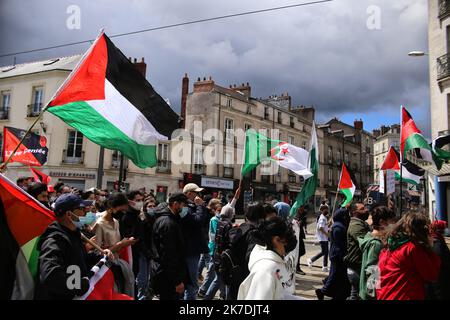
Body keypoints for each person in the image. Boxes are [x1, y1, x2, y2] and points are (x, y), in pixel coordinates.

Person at [35, 194, 115, 299]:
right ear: (69, 214)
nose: (87, 212)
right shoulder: (55, 240)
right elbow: (51, 275)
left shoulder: (73, 235)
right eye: (82, 209)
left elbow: (79, 258)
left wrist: (100, 256)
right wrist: (79, 285)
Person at [377, 212, 441, 300]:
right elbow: (431, 275)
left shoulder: (388, 246)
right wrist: (430, 249)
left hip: (385, 295)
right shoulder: (412, 248)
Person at [238, 217, 298, 300]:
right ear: (276, 240)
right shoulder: (266, 270)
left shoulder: (276, 260)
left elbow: (280, 295)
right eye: (287, 239)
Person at [150, 193, 189, 300]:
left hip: (166, 273)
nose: (184, 208)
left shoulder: (170, 219)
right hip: (168, 277)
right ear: (175, 204)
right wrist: (177, 281)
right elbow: (168, 254)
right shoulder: (168, 223)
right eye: (183, 205)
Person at [227, 202, 265, 300]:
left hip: (234, 274)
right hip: (248, 276)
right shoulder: (256, 233)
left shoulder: (238, 229)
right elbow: (252, 257)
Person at [358, 206, 396, 300]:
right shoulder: (376, 244)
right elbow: (372, 270)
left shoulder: (369, 237)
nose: (393, 224)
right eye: (391, 221)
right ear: (382, 222)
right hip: (372, 294)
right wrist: (375, 295)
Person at [316, 207, 351, 300]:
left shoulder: (338, 225)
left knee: (338, 274)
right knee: (334, 274)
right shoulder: (338, 227)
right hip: (337, 254)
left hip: (338, 253)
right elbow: (338, 241)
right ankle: (322, 291)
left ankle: (337, 293)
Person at [181, 183, 209, 300]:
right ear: (188, 194)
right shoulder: (184, 207)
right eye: (196, 193)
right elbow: (197, 221)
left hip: (193, 248)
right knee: (191, 282)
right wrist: (200, 206)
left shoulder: (194, 206)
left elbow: (205, 220)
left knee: (191, 281)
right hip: (189, 248)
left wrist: (202, 206)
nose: (198, 195)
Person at [120, 190, 148, 300]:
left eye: (142, 200)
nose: (140, 202)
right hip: (130, 255)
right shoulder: (127, 217)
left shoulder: (137, 215)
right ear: (130, 202)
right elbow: (129, 236)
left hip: (137, 253)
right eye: (138, 200)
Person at [344, 203, 370, 300]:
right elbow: (364, 241)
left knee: (355, 292)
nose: (366, 210)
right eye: (362, 209)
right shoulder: (355, 225)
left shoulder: (361, 223)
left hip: (359, 263)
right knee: (356, 292)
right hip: (356, 264)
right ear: (355, 212)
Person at [426, 220, 450, 300]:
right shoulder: (436, 241)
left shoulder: (436, 238)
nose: (446, 229)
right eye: (445, 227)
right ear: (440, 229)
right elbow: (439, 257)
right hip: (439, 280)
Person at [307, 204, 330, 272]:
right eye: (326, 209)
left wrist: (329, 224)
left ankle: (325, 266)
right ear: (323, 210)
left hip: (324, 238)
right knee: (324, 252)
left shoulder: (324, 217)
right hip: (322, 238)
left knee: (326, 252)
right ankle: (311, 260)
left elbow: (324, 226)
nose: (327, 211)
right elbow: (320, 228)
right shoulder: (322, 218)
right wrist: (327, 234)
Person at [294, 206, 307, 275]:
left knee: (302, 251)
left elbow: (303, 224)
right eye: (300, 207)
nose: (302, 208)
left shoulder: (303, 215)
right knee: (298, 252)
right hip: (296, 237)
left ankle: (296, 266)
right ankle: (297, 267)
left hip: (300, 236)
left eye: (302, 207)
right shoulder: (295, 216)